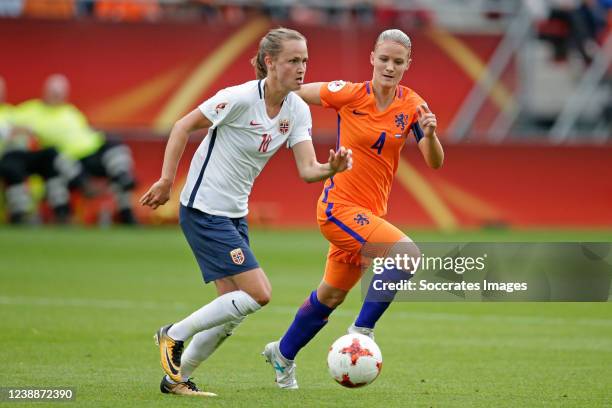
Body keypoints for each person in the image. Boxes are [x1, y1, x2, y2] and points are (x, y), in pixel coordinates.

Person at [139, 27, 353, 397]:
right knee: (259, 294)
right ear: (270, 62)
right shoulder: (237, 98)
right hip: (204, 209)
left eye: (305, 60)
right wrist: (165, 181)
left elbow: (307, 170)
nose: (302, 68)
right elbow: (182, 126)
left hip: (234, 214)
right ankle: (172, 335)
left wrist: (330, 169)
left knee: (231, 310)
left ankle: (176, 380)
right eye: (293, 60)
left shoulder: (297, 109)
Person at [263, 28, 444, 389]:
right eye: (384, 59)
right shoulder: (348, 93)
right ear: (372, 58)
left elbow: (435, 162)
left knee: (330, 295)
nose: (389, 67)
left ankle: (281, 354)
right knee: (406, 254)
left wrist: (432, 134)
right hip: (337, 209)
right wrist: (263, 90)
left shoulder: (412, 106)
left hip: (368, 217)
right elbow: (296, 90)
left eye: (398, 61)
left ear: (408, 64)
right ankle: (362, 331)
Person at [14, 74, 138, 224]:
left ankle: (123, 188)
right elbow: (10, 121)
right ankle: (84, 186)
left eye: (60, 93)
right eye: (53, 92)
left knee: (115, 146)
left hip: (91, 152)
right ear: (45, 91)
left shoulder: (70, 111)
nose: (56, 96)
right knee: (55, 156)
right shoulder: (31, 110)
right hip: (67, 160)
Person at [0, 76, 81, 224]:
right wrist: (11, 130)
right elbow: (10, 129)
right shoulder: (28, 109)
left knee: (51, 158)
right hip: (8, 158)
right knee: (11, 164)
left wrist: (24, 131)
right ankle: (20, 213)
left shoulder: (9, 111)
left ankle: (63, 211)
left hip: (25, 155)